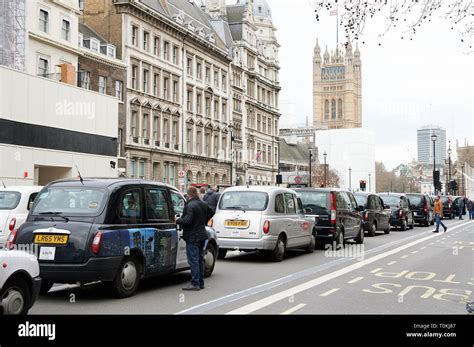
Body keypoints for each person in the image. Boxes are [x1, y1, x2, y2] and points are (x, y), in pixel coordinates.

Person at [175, 187, 215, 291]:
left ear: (189, 195)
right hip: (202, 234)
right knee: (199, 259)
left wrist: (178, 220)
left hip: (192, 236)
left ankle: (195, 283)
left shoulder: (190, 205)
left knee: (193, 260)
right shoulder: (203, 203)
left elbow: (187, 221)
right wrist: (203, 221)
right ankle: (200, 282)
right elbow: (212, 212)